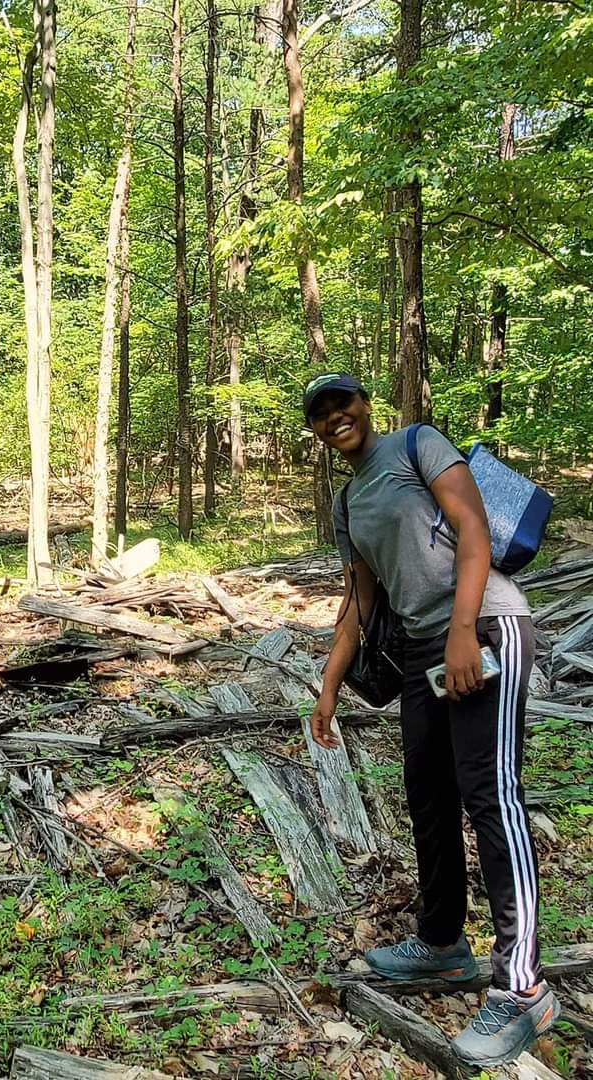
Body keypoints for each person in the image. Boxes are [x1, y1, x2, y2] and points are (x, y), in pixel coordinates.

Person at [304, 372, 557, 1068]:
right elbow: (359, 602)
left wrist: (464, 630)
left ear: (365, 405)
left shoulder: (418, 444)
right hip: (424, 651)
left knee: (491, 795)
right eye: (320, 416)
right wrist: (327, 685)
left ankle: (522, 986)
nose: (334, 419)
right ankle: (444, 943)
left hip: (488, 631)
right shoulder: (347, 500)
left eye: (342, 405)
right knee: (429, 795)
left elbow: (473, 530)